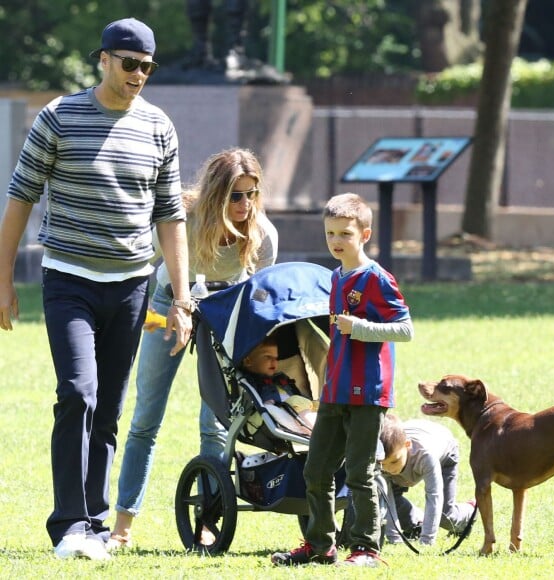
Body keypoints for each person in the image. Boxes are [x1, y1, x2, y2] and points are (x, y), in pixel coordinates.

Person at [0, 18, 192, 561]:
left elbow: (171, 217)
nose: (138, 75)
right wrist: (3, 281)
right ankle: (68, 526)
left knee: (108, 407)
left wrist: (181, 299)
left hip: (131, 286)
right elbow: (20, 199)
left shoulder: (159, 127)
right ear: (102, 59)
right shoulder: (58, 117)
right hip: (69, 281)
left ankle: (96, 523)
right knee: (77, 394)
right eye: (129, 64)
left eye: (147, 68)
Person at [108, 147, 278, 550]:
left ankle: (206, 521)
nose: (244, 204)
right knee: (145, 419)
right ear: (216, 193)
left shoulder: (262, 234)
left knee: (215, 425)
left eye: (251, 194)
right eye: (235, 195)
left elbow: (264, 298)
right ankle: (122, 526)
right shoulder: (182, 218)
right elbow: (138, 264)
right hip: (168, 309)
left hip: (223, 318)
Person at [271, 192, 414, 568]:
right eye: (331, 233)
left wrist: (360, 327)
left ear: (364, 235)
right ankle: (320, 546)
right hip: (334, 391)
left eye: (345, 234)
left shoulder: (378, 279)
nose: (336, 241)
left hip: (367, 393)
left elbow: (405, 329)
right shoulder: (336, 277)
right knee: (315, 470)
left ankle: (366, 548)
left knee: (359, 473)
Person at [377, 414, 477, 545]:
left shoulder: (425, 456)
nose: (389, 469)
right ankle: (417, 523)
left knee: (444, 515)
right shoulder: (380, 460)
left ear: (407, 445)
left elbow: (434, 495)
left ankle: (472, 509)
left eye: (394, 461)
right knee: (390, 498)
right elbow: (387, 500)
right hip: (413, 443)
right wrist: (394, 538)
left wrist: (426, 541)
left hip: (445, 452)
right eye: (384, 464)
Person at [241, 337, 318, 434]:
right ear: (248, 361)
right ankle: (316, 430)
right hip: (282, 408)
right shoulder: (249, 380)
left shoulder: (279, 377)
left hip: (299, 406)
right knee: (296, 401)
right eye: (267, 357)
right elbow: (250, 399)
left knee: (321, 404)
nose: (274, 362)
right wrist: (265, 404)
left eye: (275, 358)